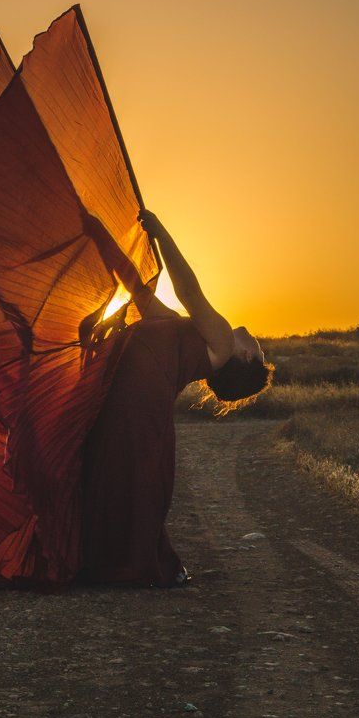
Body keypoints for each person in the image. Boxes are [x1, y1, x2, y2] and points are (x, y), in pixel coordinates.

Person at [80, 209, 273, 588]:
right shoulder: (189, 331)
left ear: (246, 358)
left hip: (140, 403)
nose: (259, 343)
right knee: (113, 473)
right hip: (126, 394)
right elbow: (139, 291)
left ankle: (121, 563)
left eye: (261, 352)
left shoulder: (219, 340)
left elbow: (188, 290)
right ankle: (100, 560)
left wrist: (161, 231)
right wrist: (101, 237)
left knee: (125, 477)